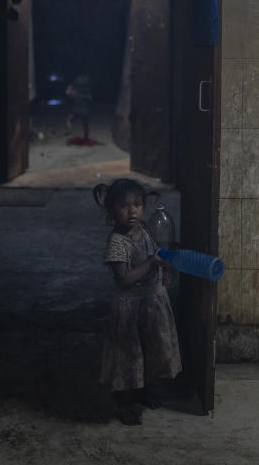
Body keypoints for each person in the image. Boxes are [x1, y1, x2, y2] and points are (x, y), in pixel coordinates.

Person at [94, 179, 182, 425]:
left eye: (137, 204)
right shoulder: (117, 243)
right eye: (124, 206)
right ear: (111, 211)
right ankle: (125, 404)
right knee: (128, 355)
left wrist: (163, 269)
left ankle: (143, 391)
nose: (132, 211)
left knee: (150, 349)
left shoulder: (144, 230)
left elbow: (155, 253)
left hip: (152, 302)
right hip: (130, 308)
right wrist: (151, 263)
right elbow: (124, 280)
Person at [65, 74, 93, 141]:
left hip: (77, 110)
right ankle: (86, 138)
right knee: (85, 124)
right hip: (85, 110)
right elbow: (91, 101)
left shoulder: (76, 92)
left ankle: (70, 133)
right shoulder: (87, 92)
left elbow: (68, 94)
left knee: (69, 120)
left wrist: (70, 88)